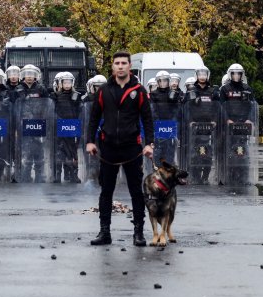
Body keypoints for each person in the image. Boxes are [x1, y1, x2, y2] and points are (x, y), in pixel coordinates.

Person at [86, 51, 154, 247]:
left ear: (129, 66)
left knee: (136, 191)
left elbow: (148, 119)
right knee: (106, 192)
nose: (121, 66)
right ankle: (104, 232)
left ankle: (138, 232)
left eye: (124, 63)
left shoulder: (139, 91)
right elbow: (94, 118)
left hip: (132, 148)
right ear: (113, 66)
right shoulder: (104, 90)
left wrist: (149, 144)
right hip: (108, 148)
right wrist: (90, 141)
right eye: (117, 63)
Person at [16, 64, 50, 182]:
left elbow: (47, 103)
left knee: (39, 150)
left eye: (32, 75)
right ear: (23, 76)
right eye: (27, 75)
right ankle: (25, 175)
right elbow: (14, 106)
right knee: (26, 150)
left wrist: (44, 118)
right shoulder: (19, 88)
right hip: (24, 123)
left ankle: (40, 175)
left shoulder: (41, 88)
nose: (29, 77)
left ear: (36, 76)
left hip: (38, 122)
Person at [52, 71, 83, 183]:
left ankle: (73, 174)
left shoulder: (77, 96)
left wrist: (78, 123)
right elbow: (52, 111)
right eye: (64, 82)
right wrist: (57, 120)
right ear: (60, 83)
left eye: (69, 82)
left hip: (73, 127)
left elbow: (81, 111)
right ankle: (57, 175)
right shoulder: (55, 96)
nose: (67, 85)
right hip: (59, 128)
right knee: (59, 152)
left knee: (73, 152)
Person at [149, 70, 183, 165]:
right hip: (158, 125)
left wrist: (173, 121)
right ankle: (158, 169)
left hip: (170, 124)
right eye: (161, 81)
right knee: (159, 149)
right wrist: (157, 121)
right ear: (158, 82)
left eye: (165, 81)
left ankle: (169, 170)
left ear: (168, 81)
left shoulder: (173, 93)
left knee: (170, 149)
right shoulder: (154, 94)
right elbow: (153, 109)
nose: (163, 83)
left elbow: (177, 109)